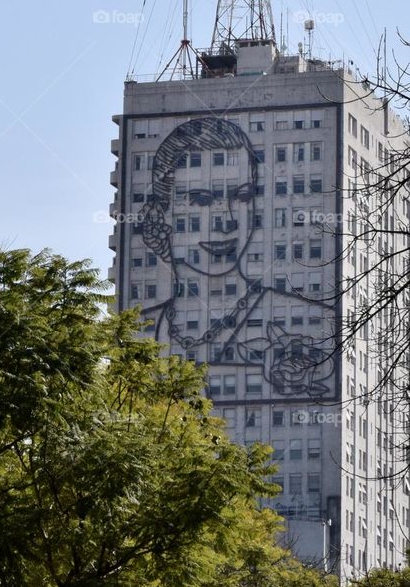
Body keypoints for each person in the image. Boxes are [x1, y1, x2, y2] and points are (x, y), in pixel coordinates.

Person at [138, 114, 336, 398]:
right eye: (203, 201)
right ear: (162, 213)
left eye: (242, 197)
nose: (228, 219)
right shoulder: (134, 330)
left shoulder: (321, 319)